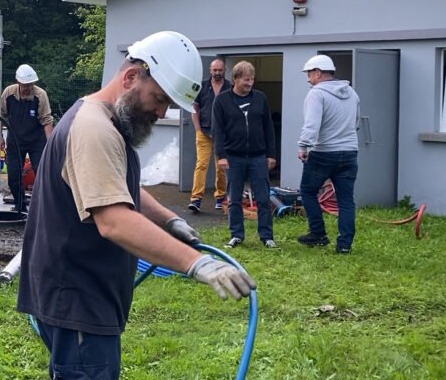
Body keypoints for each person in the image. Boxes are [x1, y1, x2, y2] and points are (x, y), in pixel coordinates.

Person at [17, 31, 256, 380]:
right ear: (130, 78)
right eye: (159, 99)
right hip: (79, 300)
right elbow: (114, 220)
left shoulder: (103, 121)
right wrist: (197, 263)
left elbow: (115, 188)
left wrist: (169, 220)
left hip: (82, 296)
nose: (161, 112)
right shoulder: (93, 130)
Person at [296, 55, 361, 254]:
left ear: (318, 72)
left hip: (323, 153)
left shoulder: (316, 94)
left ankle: (317, 233)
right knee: (346, 200)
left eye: (309, 74)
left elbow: (312, 125)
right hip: (349, 152)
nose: (308, 79)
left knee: (308, 191)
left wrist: (303, 146)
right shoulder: (351, 92)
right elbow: (356, 123)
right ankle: (344, 245)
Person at [212, 61, 278, 249]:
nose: (250, 84)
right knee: (234, 197)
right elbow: (218, 131)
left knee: (263, 197)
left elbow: (268, 127)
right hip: (233, 157)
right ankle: (236, 235)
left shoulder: (260, 98)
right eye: (246, 80)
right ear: (235, 79)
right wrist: (221, 155)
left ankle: (266, 236)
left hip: (258, 156)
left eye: (252, 80)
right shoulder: (222, 101)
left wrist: (271, 154)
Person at [1, 64, 54, 212]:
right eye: (25, 85)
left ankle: (43, 208)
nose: (28, 88)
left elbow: (47, 120)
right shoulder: (8, 94)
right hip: (15, 140)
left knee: (43, 172)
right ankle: (20, 205)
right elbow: (0, 115)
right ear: (18, 82)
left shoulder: (40, 95)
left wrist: (50, 143)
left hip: (37, 141)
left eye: (31, 84)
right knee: (13, 175)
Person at [188, 58, 230, 213]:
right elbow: (194, 109)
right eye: (215, 70)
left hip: (223, 135)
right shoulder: (202, 87)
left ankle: (220, 197)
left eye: (220, 70)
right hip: (204, 132)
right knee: (201, 165)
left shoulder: (230, 87)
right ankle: (196, 199)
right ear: (210, 70)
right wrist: (198, 129)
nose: (217, 73)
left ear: (224, 70)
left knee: (221, 167)